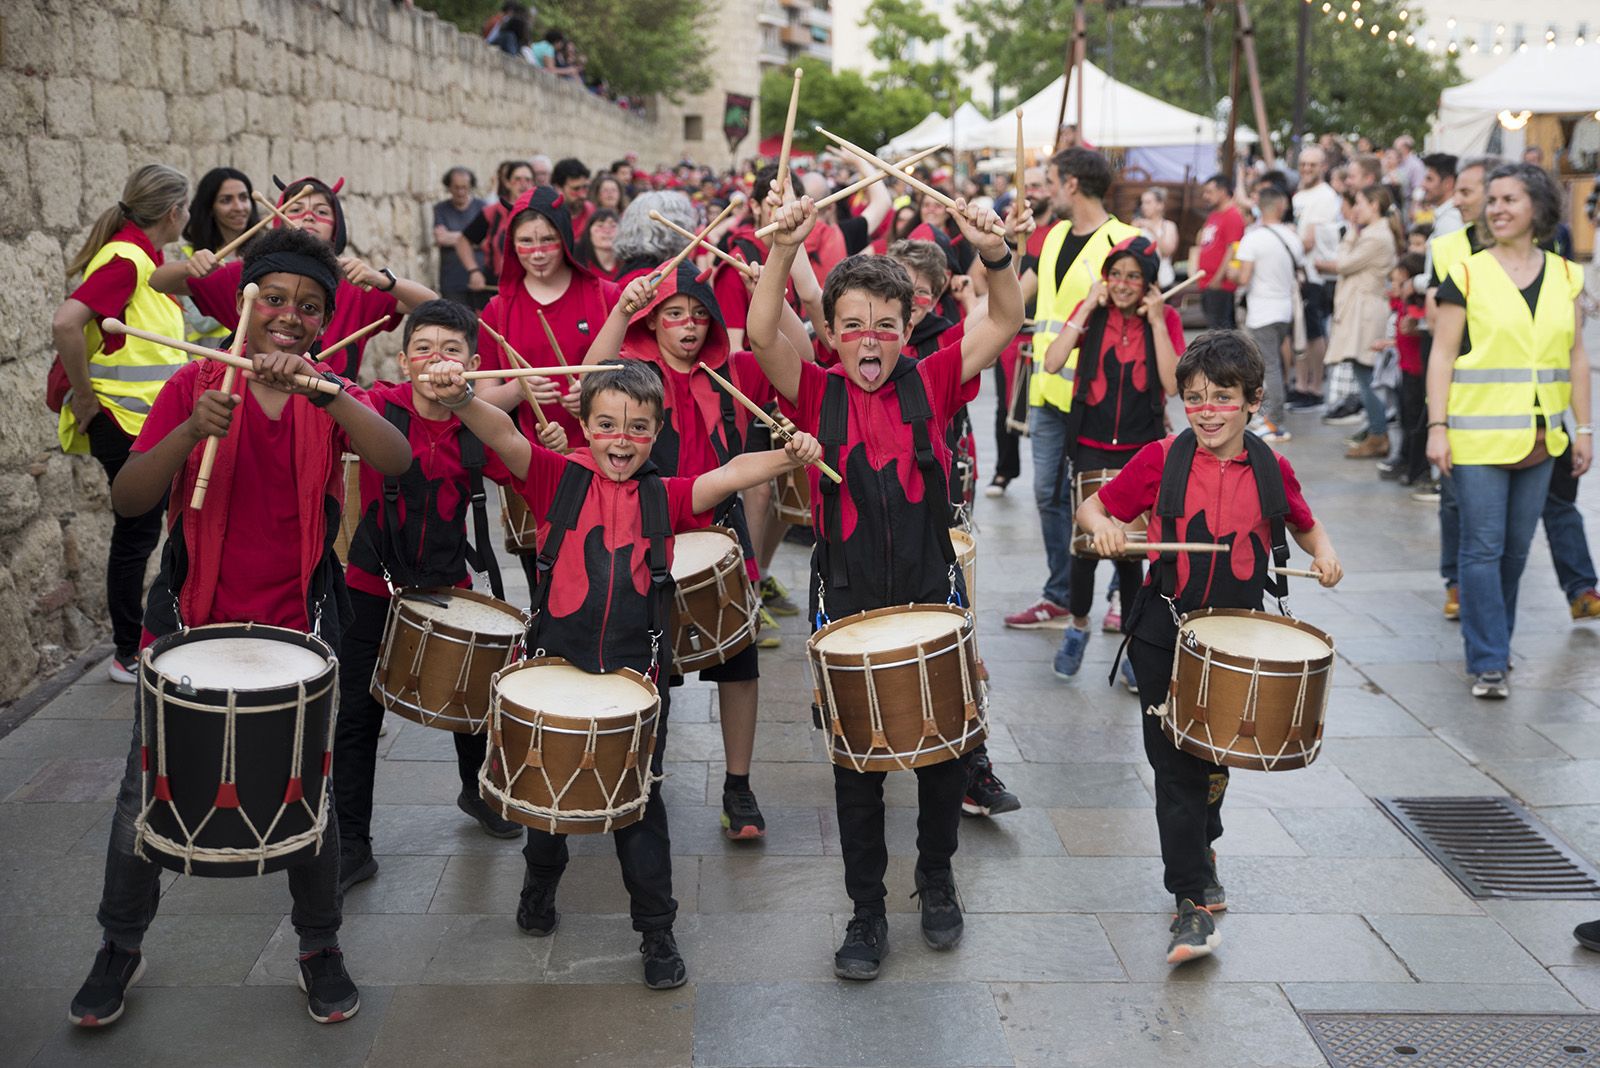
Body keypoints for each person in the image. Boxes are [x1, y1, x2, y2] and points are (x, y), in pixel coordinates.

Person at [69, 227, 414, 1029]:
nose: (289, 316)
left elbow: (394, 460)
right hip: (190, 633)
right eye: (274, 300)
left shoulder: (327, 393)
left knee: (311, 803)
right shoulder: (194, 385)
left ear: (325, 323)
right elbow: (129, 500)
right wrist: (191, 432)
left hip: (294, 637)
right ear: (244, 307)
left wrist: (332, 396)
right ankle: (120, 943)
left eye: (309, 306)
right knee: (138, 803)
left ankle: (319, 944)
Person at [434, 359, 822, 989]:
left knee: (640, 807)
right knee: (546, 802)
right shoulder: (556, 476)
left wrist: (788, 455)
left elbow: (729, 474)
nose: (621, 439)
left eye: (638, 428)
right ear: (584, 425)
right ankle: (540, 882)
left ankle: (657, 930)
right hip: (555, 670)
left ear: (657, 431)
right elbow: (503, 436)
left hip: (636, 678)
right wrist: (460, 400)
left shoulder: (665, 495)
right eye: (607, 425)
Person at [749, 190, 1027, 980]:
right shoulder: (813, 390)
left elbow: (1004, 319)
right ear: (830, 335)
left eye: (885, 325)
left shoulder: (934, 380)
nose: (868, 338)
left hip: (930, 596)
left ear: (909, 331)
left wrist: (995, 253)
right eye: (852, 325)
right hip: (846, 601)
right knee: (857, 764)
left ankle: (936, 881)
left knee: (942, 753)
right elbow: (758, 332)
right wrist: (784, 247)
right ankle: (866, 910)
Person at [1075, 330, 1341, 965]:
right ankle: (1189, 900)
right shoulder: (1160, 458)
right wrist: (1108, 531)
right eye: (1194, 399)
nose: (1207, 412)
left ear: (1253, 402)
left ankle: (1203, 842)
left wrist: (1325, 554)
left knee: (1214, 764)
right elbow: (1092, 509)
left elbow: (1306, 526)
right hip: (1163, 632)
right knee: (1173, 767)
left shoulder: (1272, 467)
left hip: (1237, 638)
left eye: (1222, 398)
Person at [332, 300, 568, 893]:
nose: (436, 361)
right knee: (356, 719)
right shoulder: (374, 407)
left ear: (475, 363)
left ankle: (479, 792)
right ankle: (352, 843)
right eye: (424, 349)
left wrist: (553, 449)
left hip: (445, 582)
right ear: (404, 359)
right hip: (368, 584)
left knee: (472, 698)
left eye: (452, 351)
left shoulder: (478, 425)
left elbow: (538, 482)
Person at [584, 262, 778, 839]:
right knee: (649, 666)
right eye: (673, 314)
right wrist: (622, 310)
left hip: (721, 532)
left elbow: (784, 351)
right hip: (651, 534)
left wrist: (775, 284)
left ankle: (738, 787)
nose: (688, 327)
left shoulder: (736, 372)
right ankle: (647, 776)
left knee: (740, 664)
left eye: (698, 315)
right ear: (654, 322)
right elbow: (587, 380)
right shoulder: (630, 374)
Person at [1426, 162, 1592, 699]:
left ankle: (1495, 640)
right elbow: (1442, 356)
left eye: (1509, 200)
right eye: (1492, 200)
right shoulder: (1467, 273)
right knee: (1481, 548)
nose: (1497, 209)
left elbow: (1576, 358)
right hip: (1476, 436)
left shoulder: (1567, 275)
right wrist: (1437, 427)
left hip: (1544, 436)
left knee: (1517, 551)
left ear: (1537, 210)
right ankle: (1489, 659)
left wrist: (1584, 428)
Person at [51, 164, 193, 684]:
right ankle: (127, 653)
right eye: (188, 208)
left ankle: (146, 640)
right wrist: (84, 396)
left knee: (146, 530)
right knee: (136, 535)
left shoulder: (142, 259)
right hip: (120, 420)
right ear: (174, 212)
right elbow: (67, 322)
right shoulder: (128, 259)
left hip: (143, 421)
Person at [1005, 148, 1140, 630]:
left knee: (1115, 498)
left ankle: (1121, 598)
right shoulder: (1054, 234)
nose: (1042, 189)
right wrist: (1004, 245)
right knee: (1047, 494)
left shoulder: (1127, 241)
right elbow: (1017, 293)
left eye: (1049, 180)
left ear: (1073, 185)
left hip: (1104, 398)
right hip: (1047, 390)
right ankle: (1060, 592)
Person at [1041, 236, 1182, 684]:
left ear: (1149, 284)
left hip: (1141, 447)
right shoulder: (1095, 313)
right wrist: (1084, 307)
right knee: (1085, 548)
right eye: (1115, 274)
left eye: (1133, 276)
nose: (1122, 284)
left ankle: (1134, 643)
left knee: (1129, 552)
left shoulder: (1166, 317)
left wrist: (1158, 323)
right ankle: (1078, 627)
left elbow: (1172, 385)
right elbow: (1051, 361)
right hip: (1090, 442)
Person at [153, 176, 436, 380]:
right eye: (297, 210)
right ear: (278, 219)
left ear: (337, 227)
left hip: (328, 414)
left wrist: (386, 281)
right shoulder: (250, 273)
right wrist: (191, 266)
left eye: (322, 212)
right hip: (248, 405)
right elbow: (158, 281)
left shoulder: (355, 282)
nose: (309, 218)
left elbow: (430, 305)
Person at [476, 184, 621, 461]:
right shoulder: (498, 310)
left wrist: (597, 396)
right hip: (530, 459)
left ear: (565, 238)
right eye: (526, 241)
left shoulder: (606, 296)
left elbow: (640, 379)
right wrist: (518, 390)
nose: (537, 253)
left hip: (608, 456)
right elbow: (482, 400)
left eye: (547, 240)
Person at [987, 166, 1054, 499]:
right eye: (1028, 187)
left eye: (1040, 186)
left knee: (1048, 407)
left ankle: (1053, 474)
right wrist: (1009, 239)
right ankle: (1004, 470)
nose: (1034, 193)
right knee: (1004, 407)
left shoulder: (1060, 231)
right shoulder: (1007, 226)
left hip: (1049, 333)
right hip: (1014, 331)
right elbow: (995, 277)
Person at [1321, 185, 1401, 460]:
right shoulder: (1374, 234)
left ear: (1375, 205)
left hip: (1365, 313)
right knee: (1363, 372)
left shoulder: (1375, 236)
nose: (1355, 210)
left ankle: (1379, 434)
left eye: (1360, 204)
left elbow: (1343, 263)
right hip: (1361, 310)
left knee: (1368, 375)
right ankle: (1375, 432)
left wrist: (1350, 234)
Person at [1233, 184, 1302, 442]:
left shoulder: (1253, 237)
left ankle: (1274, 422)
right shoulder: (1291, 236)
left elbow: (1244, 277)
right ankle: (1269, 417)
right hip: (1285, 309)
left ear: (1259, 206)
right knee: (1274, 364)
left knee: (1269, 366)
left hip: (1262, 310)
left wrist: (1232, 274)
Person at [178, 168, 259, 345]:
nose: (238, 207)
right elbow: (200, 322)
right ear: (210, 207)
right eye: (226, 200)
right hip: (210, 363)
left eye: (244, 198)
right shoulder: (192, 257)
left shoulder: (265, 252)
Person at [434, 166, 487, 308]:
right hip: (451, 279)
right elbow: (441, 238)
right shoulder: (441, 209)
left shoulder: (482, 207)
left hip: (480, 277)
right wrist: (472, 238)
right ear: (449, 187)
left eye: (464, 187)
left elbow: (487, 240)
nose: (460, 192)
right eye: (456, 187)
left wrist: (455, 237)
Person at [1196, 174, 1245, 330]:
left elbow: (1232, 249)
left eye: (1210, 192)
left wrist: (1218, 278)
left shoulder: (1233, 216)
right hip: (1207, 280)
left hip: (1220, 284)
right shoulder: (1214, 214)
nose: (1206, 196)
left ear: (1223, 192)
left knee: (1221, 330)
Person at [1133, 187, 1179, 289]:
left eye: (1148, 203)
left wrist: (1153, 230)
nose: (1144, 206)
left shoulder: (1168, 226)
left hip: (1164, 281)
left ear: (1160, 205)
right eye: (1142, 203)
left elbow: (1167, 251)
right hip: (1142, 281)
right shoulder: (1137, 225)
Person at [575, 207, 622, 280]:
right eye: (600, 226)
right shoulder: (578, 268)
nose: (607, 231)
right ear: (589, 232)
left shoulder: (628, 267)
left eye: (613, 226)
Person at [551, 157, 594, 235]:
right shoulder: (548, 218)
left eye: (585, 187)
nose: (583, 195)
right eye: (576, 189)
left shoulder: (592, 213)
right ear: (558, 189)